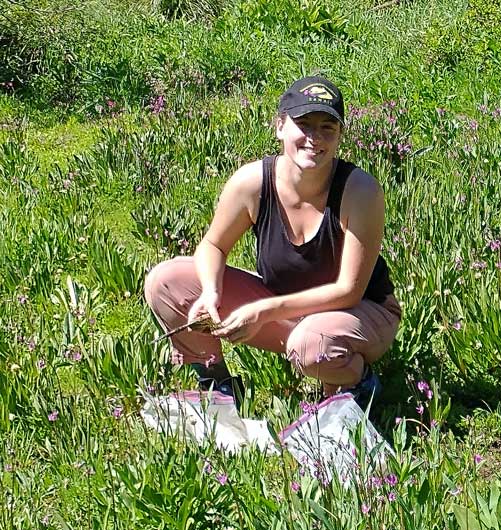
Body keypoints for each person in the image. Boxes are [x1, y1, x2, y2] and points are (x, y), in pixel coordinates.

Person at [144, 75, 400, 405]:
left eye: (327, 128)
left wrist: (262, 311)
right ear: (280, 126)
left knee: (313, 345)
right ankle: (216, 386)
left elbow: (348, 290)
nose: (314, 138)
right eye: (303, 124)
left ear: (340, 137)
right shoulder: (253, 183)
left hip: (359, 313)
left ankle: (358, 384)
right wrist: (211, 292)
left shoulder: (359, 191)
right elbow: (213, 246)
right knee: (166, 282)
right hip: (286, 310)